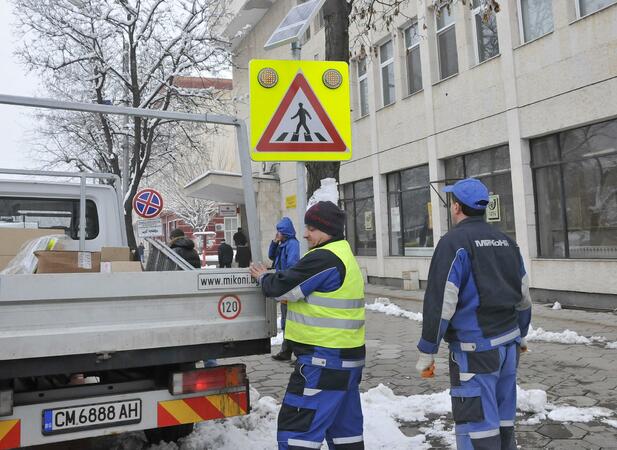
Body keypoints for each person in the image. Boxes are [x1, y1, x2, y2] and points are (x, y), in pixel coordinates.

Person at [415, 178, 532, 450]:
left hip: (475, 351)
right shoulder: (507, 242)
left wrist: (427, 349)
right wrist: (522, 334)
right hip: (509, 346)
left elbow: (441, 300)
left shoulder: (453, 243)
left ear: (457, 207)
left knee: (477, 428)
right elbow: (524, 296)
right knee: (503, 422)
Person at [250, 201, 366, 450]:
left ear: (328, 230)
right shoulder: (344, 253)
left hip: (323, 362)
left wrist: (262, 277)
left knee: (297, 433)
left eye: (311, 228)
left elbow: (282, 287)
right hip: (347, 360)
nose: (305, 234)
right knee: (346, 433)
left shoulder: (324, 257)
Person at [268, 217, 300, 361]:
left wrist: (283, 280)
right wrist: (274, 243)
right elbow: (271, 256)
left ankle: (296, 354)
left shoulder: (292, 244)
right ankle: (286, 351)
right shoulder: (282, 244)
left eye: (279, 231)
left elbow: (292, 264)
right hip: (283, 285)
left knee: (291, 321)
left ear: (285, 232)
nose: (277, 234)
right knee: (286, 320)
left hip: (288, 285)